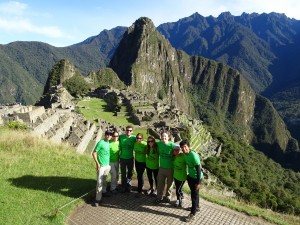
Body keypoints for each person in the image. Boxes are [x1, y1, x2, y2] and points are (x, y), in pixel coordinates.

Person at [180, 140, 203, 222]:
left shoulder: (193, 155)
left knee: (194, 196)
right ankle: (197, 207)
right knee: (195, 194)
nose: (184, 149)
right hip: (190, 176)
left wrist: (198, 182)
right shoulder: (184, 154)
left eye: (185, 147)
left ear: (188, 147)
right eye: (182, 147)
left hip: (197, 178)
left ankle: (192, 214)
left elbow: (199, 169)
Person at [92, 130, 112, 207]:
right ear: (105, 135)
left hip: (107, 165)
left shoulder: (108, 142)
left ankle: (104, 192)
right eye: (107, 134)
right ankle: (97, 199)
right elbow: (94, 153)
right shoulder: (101, 142)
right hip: (101, 166)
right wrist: (97, 163)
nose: (109, 136)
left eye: (110, 135)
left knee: (104, 179)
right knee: (99, 182)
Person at [155, 132, 176, 204]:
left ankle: (168, 197)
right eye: (162, 136)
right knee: (160, 184)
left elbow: (179, 149)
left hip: (171, 168)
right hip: (162, 168)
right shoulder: (159, 144)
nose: (164, 138)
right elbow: (151, 144)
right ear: (161, 137)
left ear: (168, 137)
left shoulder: (172, 145)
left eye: (165, 136)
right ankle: (159, 197)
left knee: (170, 184)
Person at [119, 125, 136, 193]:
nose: (128, 131)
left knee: (129, 173)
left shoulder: (134, 137)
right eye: (127, 130)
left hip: (130, 158)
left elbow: (141, 141)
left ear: (132, 131)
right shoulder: (121, 137)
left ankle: (128, 185)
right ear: (125, 130)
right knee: (123, 173)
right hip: (122, 158)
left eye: (130, 130)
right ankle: (123, 186)